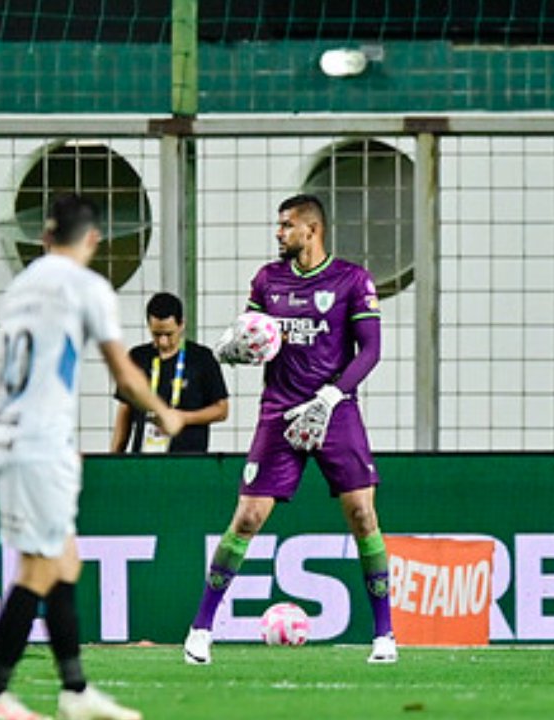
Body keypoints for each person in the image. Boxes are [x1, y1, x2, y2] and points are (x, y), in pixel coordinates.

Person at [0, 194, 184, 720]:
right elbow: (124, 371)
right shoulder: (87, 287)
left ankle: (75, 690)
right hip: (38, 444)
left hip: (9, 436)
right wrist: (165, 412)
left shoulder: (22, 285)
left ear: (45, 238)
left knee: (66, 561)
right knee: (40, 569)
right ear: (92, 240)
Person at [183, 194, 393, 665]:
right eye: (279, 226)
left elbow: (371, 350)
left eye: (286, 226)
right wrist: (235, 347)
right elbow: (255, 335)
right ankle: (200, 629)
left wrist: (333, 394)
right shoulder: (267, 280)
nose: (279, 234)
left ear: (311, 230)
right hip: (279, 412)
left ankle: (385, 635)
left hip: (334, 410)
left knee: (362, 514)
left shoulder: (352, 280)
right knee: (248, 518)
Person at [110, 292, 229, 454]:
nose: (163, 341)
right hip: (144, 457)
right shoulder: (137, 357)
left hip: (188, 459)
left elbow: (221, 410)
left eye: (169, 334)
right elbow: (125, 410)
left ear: (181, 325)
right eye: (156, 334)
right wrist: (115, 455)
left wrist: (183, 418)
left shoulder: (202, 358)